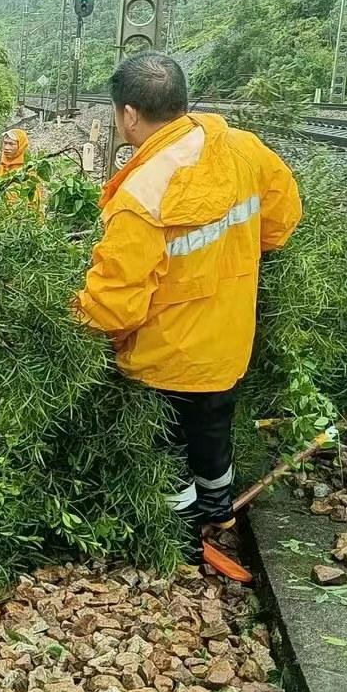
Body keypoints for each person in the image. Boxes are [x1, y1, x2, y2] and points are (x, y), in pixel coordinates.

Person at [74, 52, 301, 553]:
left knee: (168, 454)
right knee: (212, 432)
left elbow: (115, 305)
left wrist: (70, 321)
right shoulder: (242, 149)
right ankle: (219, 512)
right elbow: (281, 217)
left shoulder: (143, 192)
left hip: (166, 359)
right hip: (228, 342)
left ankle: (179, 539)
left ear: (129, 114)